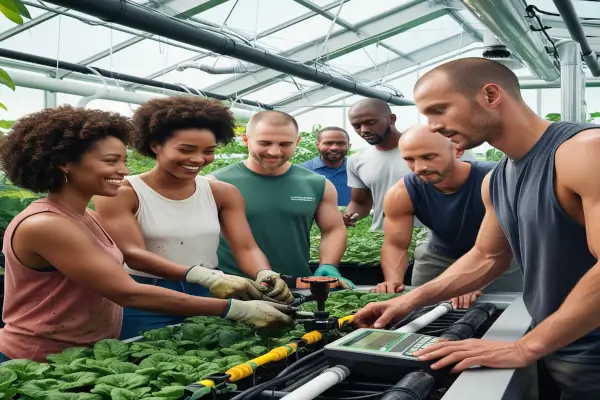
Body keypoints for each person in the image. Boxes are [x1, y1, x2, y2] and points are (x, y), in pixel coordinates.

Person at [353, 58, 600, 399]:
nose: (434, 126)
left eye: (439, 110)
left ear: (490, 95)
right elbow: (487, 256)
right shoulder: (499, 179)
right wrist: (409, 300)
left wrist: (526, 348)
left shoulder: (584, 150)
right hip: (561, 338)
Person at [0, 106, 293, 362]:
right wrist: (235, 308)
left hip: (80, 351)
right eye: (111, 161)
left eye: (123, 160)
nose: (124, 170)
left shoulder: (85, 216)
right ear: (64, 163)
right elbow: (127, 290)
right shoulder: (47, 224)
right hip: (37, 357)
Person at [94, 97, 294, 340]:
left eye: (208, 151)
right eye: (186, 150)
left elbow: (246, 247)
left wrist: (264, 273)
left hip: (209, 292)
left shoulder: (222, 192)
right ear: (156, 145)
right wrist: (203, 275)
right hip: (146, 297)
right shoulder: (122, 193)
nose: (199, 160)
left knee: (212, 362)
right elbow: (133, 254)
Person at [373, 124, 522, 308]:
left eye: (429, 157)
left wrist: (472, 279)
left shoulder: (496, 180)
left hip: (498, 257)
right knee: (417, 312)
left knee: (506, 314)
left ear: (458, 151)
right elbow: (395, 245)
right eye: (410, 159)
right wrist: (393, 281)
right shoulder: (401, 192)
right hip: (438, 258)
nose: (419, 167)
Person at [208, 110, 354, 288]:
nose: (274, 151)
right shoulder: (216, 183)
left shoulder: (317, 184)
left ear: (297, 142)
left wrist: (329, 264)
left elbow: (333, 229)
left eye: (285, 144)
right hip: (234, 288)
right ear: (246, 140)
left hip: (299, 286)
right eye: (264, 143)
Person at [343, 98, 477, 232]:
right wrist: (347, 217)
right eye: (357, 126)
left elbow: (472, 188)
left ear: (391, 119)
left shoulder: (441, 147)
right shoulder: (356, 160)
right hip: (383, 235)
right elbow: (360, 202)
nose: (364, 130)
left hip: (436, 235)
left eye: (371, 122)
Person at [299, 126, 352, 206]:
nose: (334, 147)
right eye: (328, 143)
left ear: (349, 146)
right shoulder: (301, 171)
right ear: (317, 145)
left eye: (341, 143)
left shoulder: (357, 170)